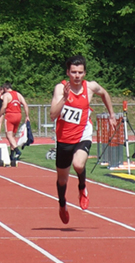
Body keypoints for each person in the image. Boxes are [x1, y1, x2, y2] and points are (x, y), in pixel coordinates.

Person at [49, 55, 116, 224]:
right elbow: (52, 115)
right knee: (62, 179)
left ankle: (82, 187)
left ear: (84, 73)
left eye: (80, 72)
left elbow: (105, 93)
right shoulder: (60, 89)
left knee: (78, 164)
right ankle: (62, 204)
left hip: (82, 134)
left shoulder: (90, 87)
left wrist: (112, 115)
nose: (77, 76)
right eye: (73, 72)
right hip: (64, 138)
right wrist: (64, 99)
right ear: (68, 72)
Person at [0, 83, 30, 162]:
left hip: (10, 115)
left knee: (8, 135)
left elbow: (4, 106)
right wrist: (27, 116)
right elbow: (25, 104)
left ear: (5, 89)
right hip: (18, 115)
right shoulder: (18, 94)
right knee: (13, 136)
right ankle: (11, 155)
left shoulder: (6, 95)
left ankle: (17, 151)